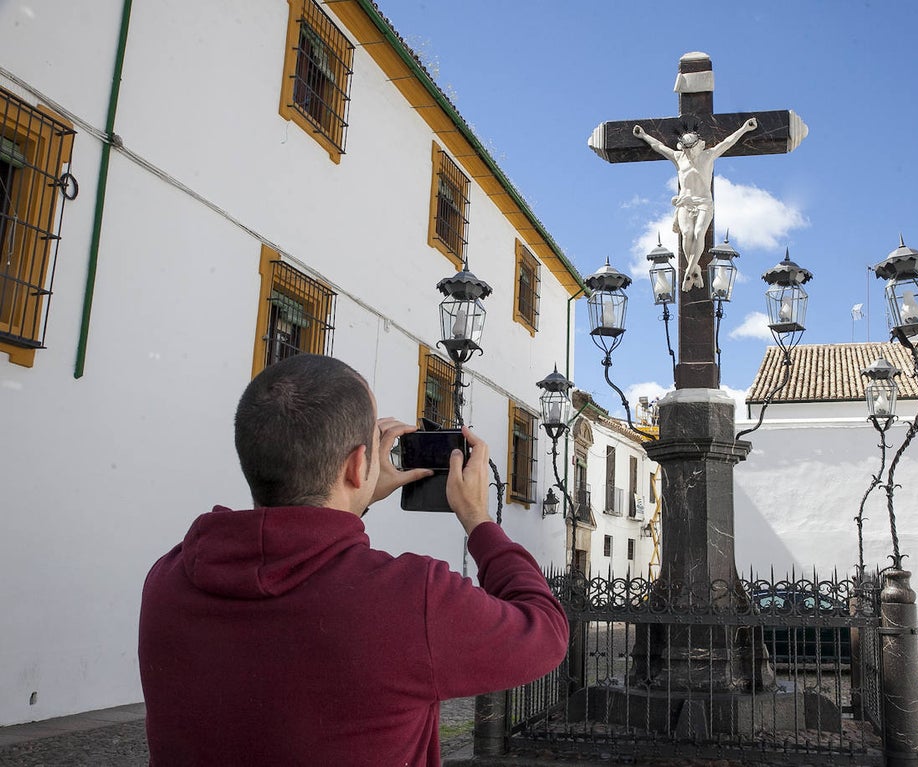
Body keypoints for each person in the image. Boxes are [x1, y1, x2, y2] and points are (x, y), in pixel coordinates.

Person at [138, 354, 569, 766]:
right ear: (359, 463)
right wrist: (477, 517)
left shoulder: (168, 581)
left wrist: (355, 498)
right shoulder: (412, 599)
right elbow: (546, 632)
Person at [633, 117, 758, 292]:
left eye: (692, 148)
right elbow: (659, 147)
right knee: (687, 233)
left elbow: (728, 142)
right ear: (682, 147)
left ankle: (688, 271)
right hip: (685, 202)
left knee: (699, 232)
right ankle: (695, 268)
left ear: (699, 145)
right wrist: (644, 135)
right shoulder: (678, 158)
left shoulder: (709, 155)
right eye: (686, 149)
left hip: (703, 203)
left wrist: (745, 128)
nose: (689, 152)